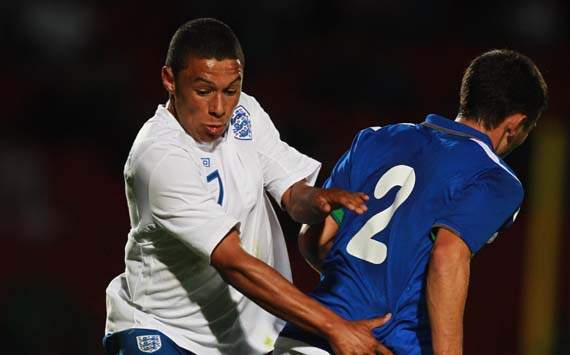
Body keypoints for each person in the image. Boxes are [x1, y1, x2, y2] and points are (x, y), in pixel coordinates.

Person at [103, 18, 393, 355]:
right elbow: (231, 260)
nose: (219, 108)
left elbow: (292, 195)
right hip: (164, 331)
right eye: (203, 91)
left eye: (231, 90)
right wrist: (333, 325)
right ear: (169, 79)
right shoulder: (159, 156)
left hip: (242, 336)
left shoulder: (246, 115)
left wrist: (319, 199)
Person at [274, 49, 548, 354]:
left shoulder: (375, 138)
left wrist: (356, 293)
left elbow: (314, 239)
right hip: (383, 343)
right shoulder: (495, 178)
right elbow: (447, 255)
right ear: (515, 124)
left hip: (308, 336)